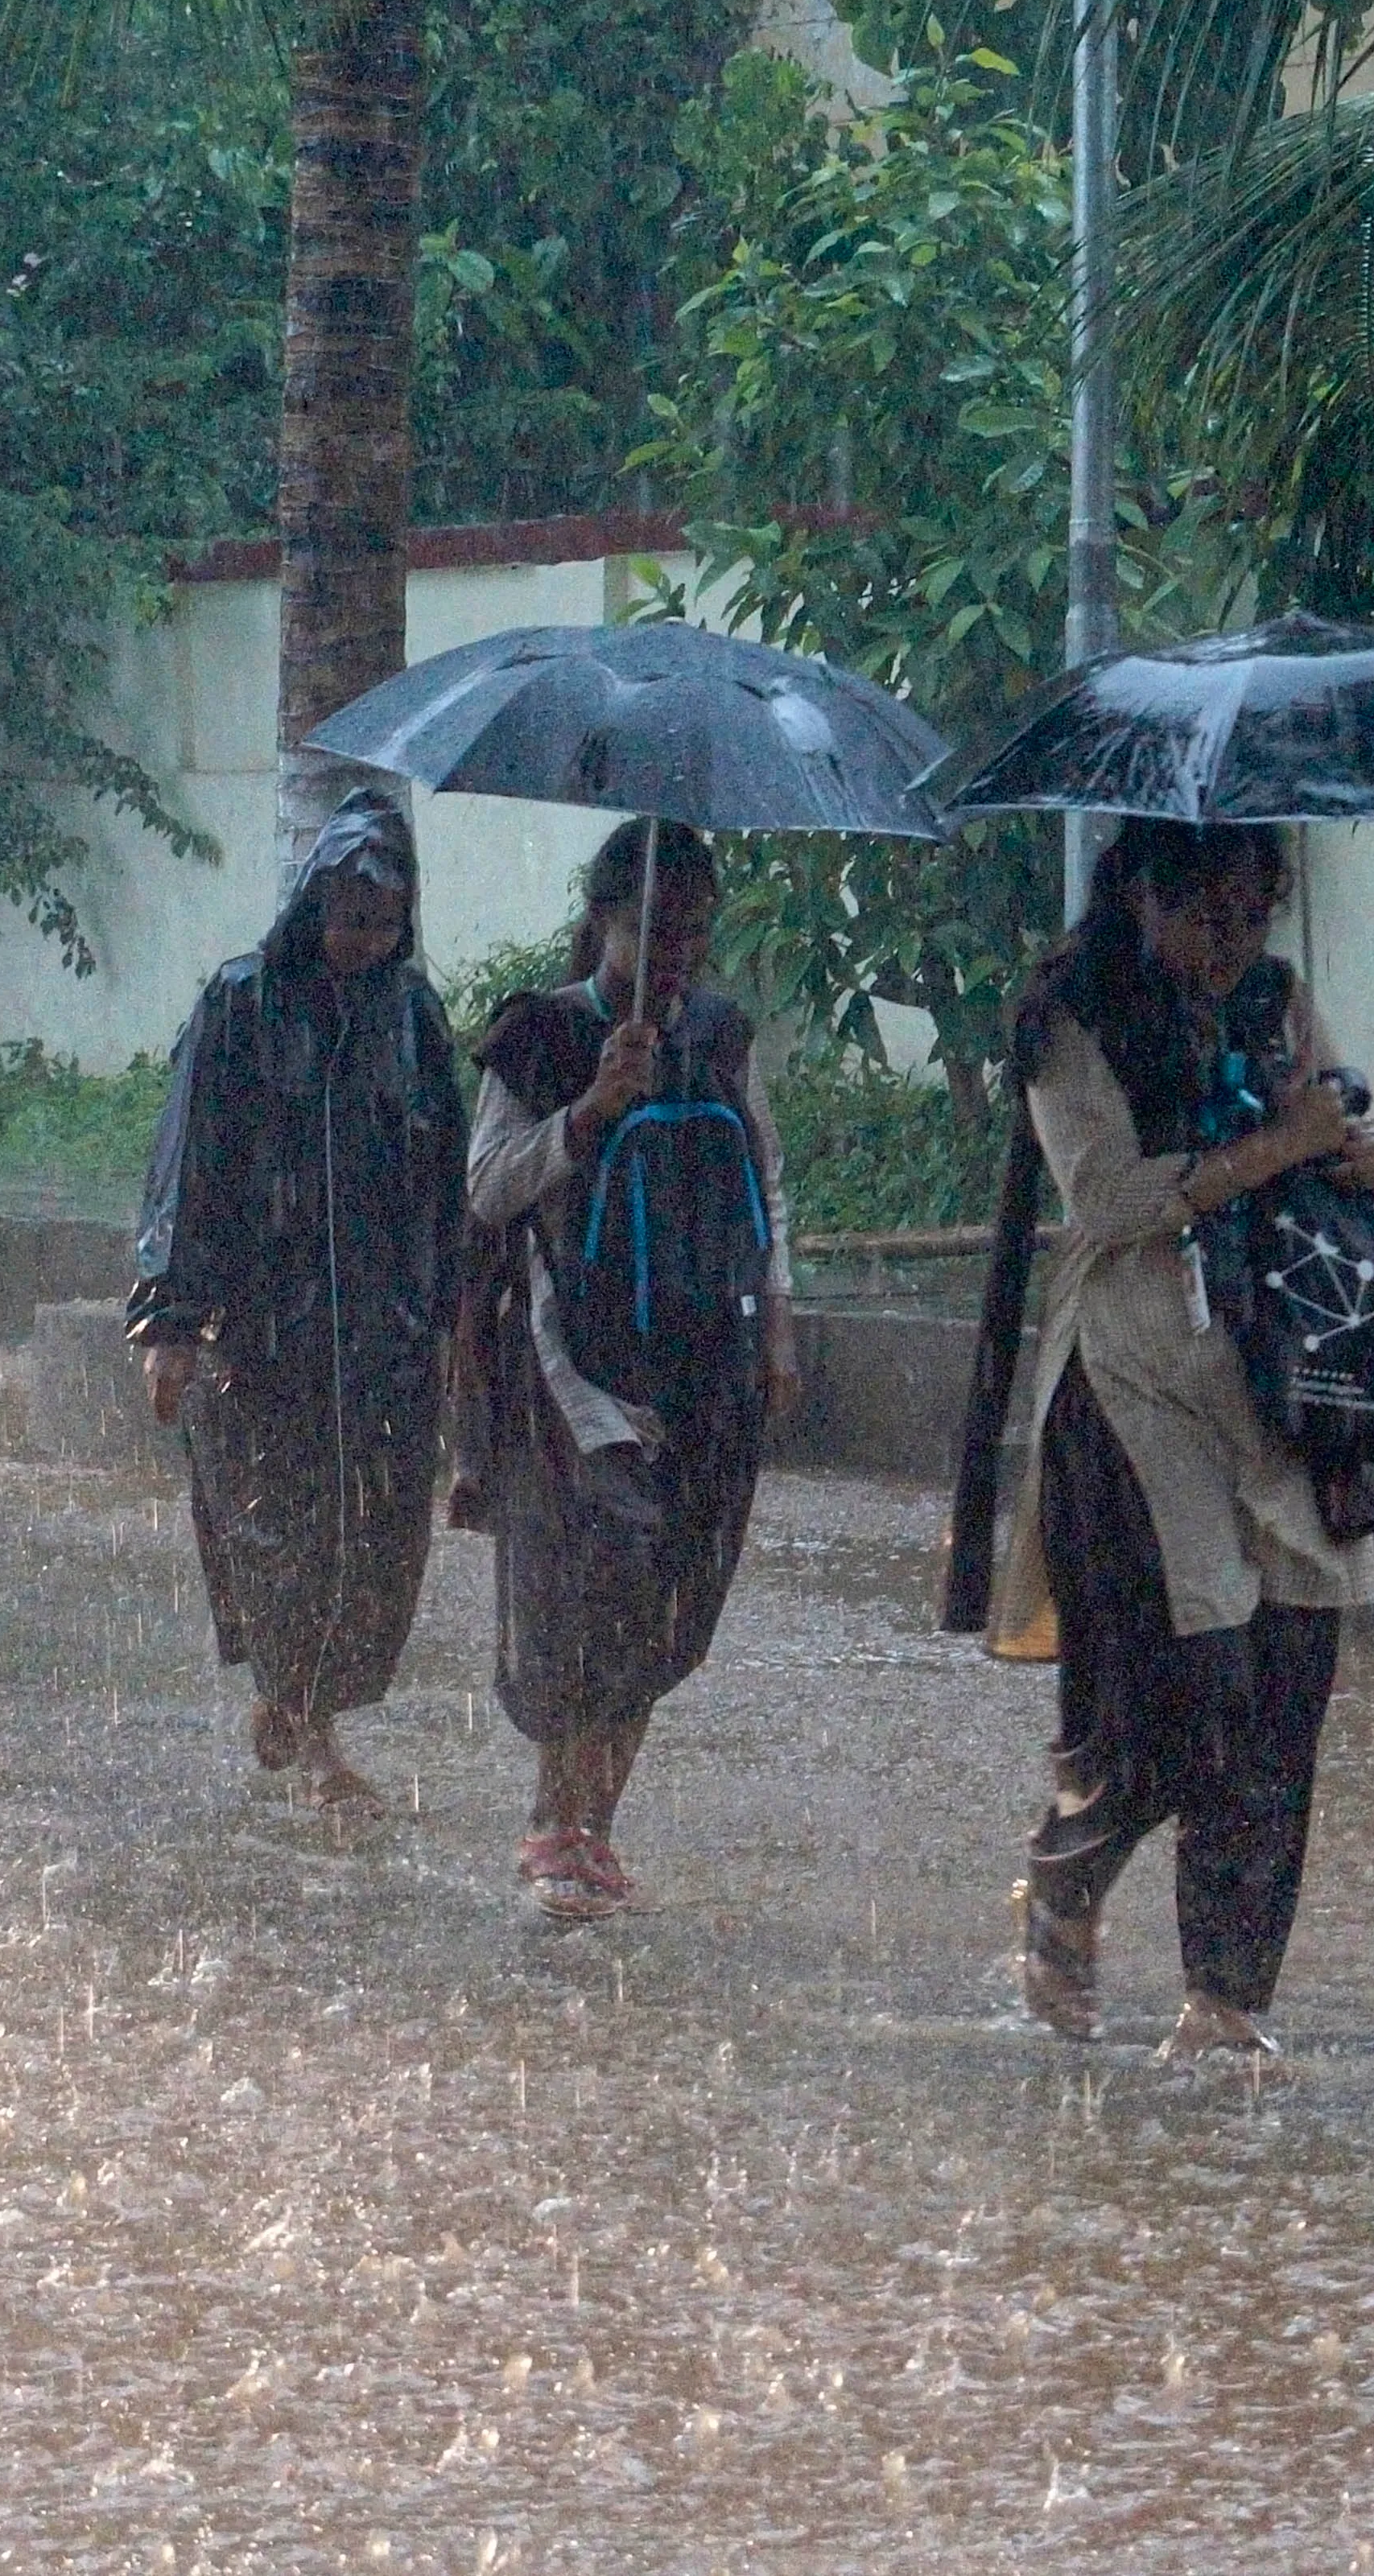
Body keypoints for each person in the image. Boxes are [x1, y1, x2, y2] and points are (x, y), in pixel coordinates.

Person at [976, 820, 1374, 2059]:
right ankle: (1069, 1872)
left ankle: (1225, 2000)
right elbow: (1107, 1198)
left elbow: (1342, 1135)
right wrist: (1280, 1147)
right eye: (1209, 914)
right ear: (1142, 896)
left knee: (1287, 1693)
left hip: (1279, 1372)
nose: (1233, 943)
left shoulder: (1275, 1002)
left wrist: (1358, 1152)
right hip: (1136, 1372)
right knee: (1187, 1693)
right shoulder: (1069, 1019)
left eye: (1255, 913)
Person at [461, 818, 800, 1923]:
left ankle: (600, 1824)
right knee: (587, 1587)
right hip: (579, 1365)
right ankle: (551, 1816)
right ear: (602, 918)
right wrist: (592, 1111)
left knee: (672, 1601)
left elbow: (766, 1180)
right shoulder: (542, 1037)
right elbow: (488, 1188)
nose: (674, 956)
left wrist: (781, 1329)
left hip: (708, 1360)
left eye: (694, 934)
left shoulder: (720, 1035)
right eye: (653, 930)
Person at [128, 790, 464, 1813]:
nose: (360, 939)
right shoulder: (242, 1003)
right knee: (277, 1532)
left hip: (381, 1333)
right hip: (259, 1327)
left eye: (381, 921)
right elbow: (186, 1164)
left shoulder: (413, 1019)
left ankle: (301, 1700)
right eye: (346, 915)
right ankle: (310, 1729)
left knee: (376, 1535)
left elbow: (443, 1181)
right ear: (312, 902)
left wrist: (449, 1316)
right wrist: (170, 1322)